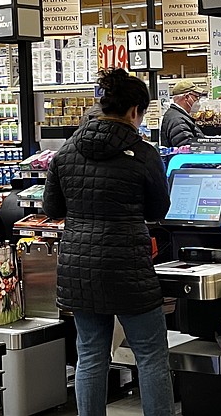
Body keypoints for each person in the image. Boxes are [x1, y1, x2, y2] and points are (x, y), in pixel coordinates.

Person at [43, 68, 174, 416]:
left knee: (90, 354)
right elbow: (160, 208)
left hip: (78, 267)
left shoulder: (66, 151)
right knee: (150, 355)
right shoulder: (144, 153)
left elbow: (51, 208)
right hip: (128, 265)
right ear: (134, 111)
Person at [160, 79, 206, 147]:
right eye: (196, 97)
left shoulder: (178, 116)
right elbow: (186, 148)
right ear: (187, 97)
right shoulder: (178, 121)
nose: (198, 101)